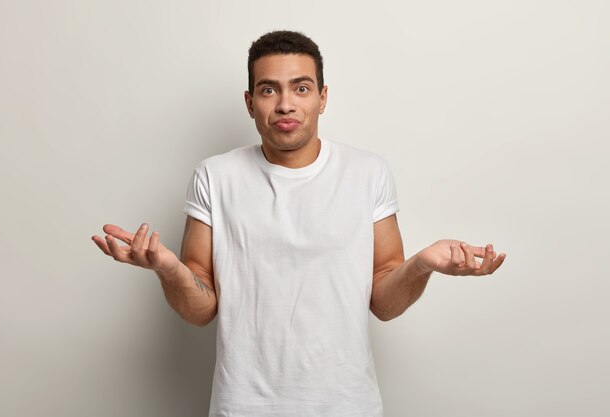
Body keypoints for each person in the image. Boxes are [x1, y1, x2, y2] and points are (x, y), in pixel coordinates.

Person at [92, 30, 506, 417]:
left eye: (301, 88)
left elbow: (384, 301)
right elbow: (201, 310)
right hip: (244, 404)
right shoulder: (215, 176)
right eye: (268, 89)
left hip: (347, 404)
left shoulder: (368, 172)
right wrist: (168, 270)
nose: (285, 103)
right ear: (250, 101)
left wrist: (423, 264)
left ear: (323, 98)